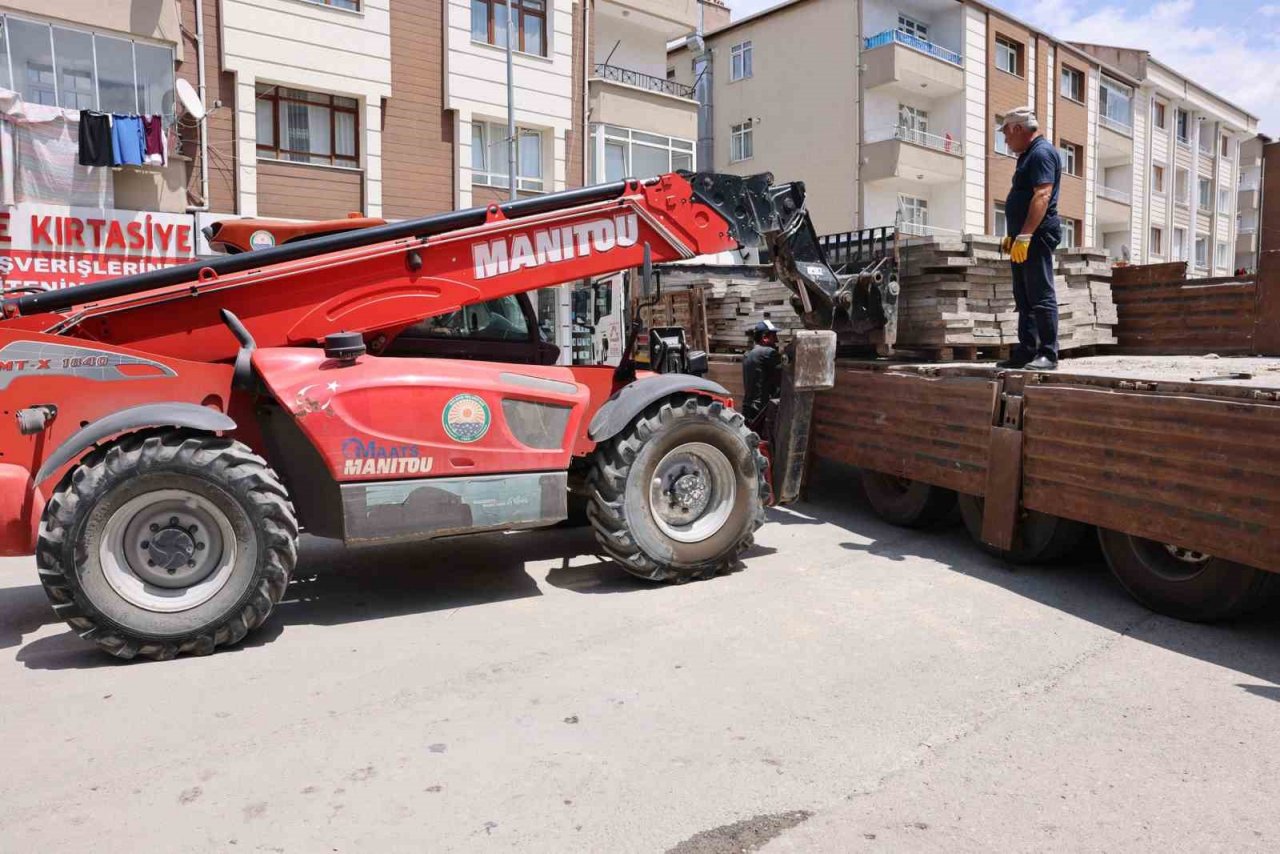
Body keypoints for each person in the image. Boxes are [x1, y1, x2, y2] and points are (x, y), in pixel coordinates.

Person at [997, 107, 1062, 371]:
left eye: (1006, 134)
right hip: (1024, 237)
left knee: (1041, 294)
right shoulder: (1027, 156)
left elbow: (1042, 196)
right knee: (1023, 296)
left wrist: (1025, 235)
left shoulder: (1041, 153)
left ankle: (1048, 354)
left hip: (1036, 236)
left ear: (1017, 128)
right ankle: (1026, 351)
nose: (1005, 140)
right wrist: (1014, 237)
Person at [741, 319, 782, 424]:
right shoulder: (768, 353)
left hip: (748, 407)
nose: (777, 340)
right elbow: (785, 376)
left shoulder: (748, 354)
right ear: (765, 337)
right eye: (774, 336)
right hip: (761, 410)